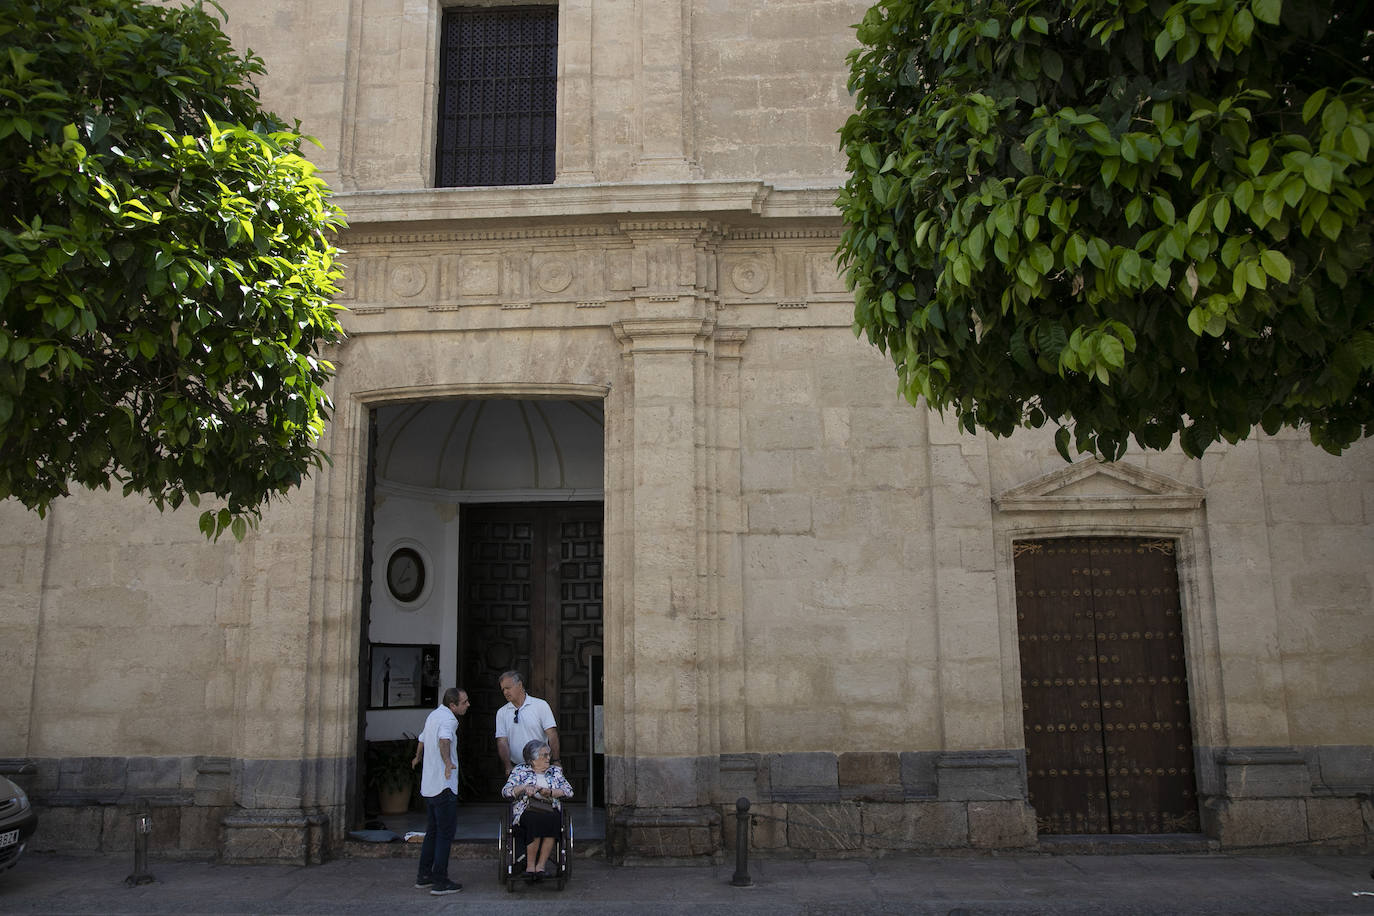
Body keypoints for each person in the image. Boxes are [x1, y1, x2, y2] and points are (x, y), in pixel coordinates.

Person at [411, 687, 470, 896]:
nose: (468, 705)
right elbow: (444, 740)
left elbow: (422, 739)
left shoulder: (433, 715)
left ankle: (424, 875)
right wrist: (447, 762)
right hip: (444, 786)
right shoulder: (449, 720)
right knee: (445, 833)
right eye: (464, 702)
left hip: (429, 785)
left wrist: (417, 757)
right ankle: (440, 881)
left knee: (433, 831)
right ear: (453, 705)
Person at [501, 738, 573, 880]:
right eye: (544, 755)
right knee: (534, 820)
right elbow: (506, 792)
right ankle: (530, 867)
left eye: (549, 755)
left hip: (550, 808)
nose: (548, 758)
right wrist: (523, 788)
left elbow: (569, 791)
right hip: (526, 809)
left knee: (553, 820)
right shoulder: (520, 770)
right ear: (532, 759)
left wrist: (550, 792)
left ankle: (540, 866)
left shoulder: (555, 771)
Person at [494, 670, 560, 776]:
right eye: (503, 689)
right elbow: (502, 741)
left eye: (508, 688)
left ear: (520, 685)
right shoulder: (502, 712)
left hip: (542, 766)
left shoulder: (540, 705)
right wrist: (507, 766)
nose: (505, 692)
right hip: (516, 768)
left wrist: (556, 761)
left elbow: (552, 734)